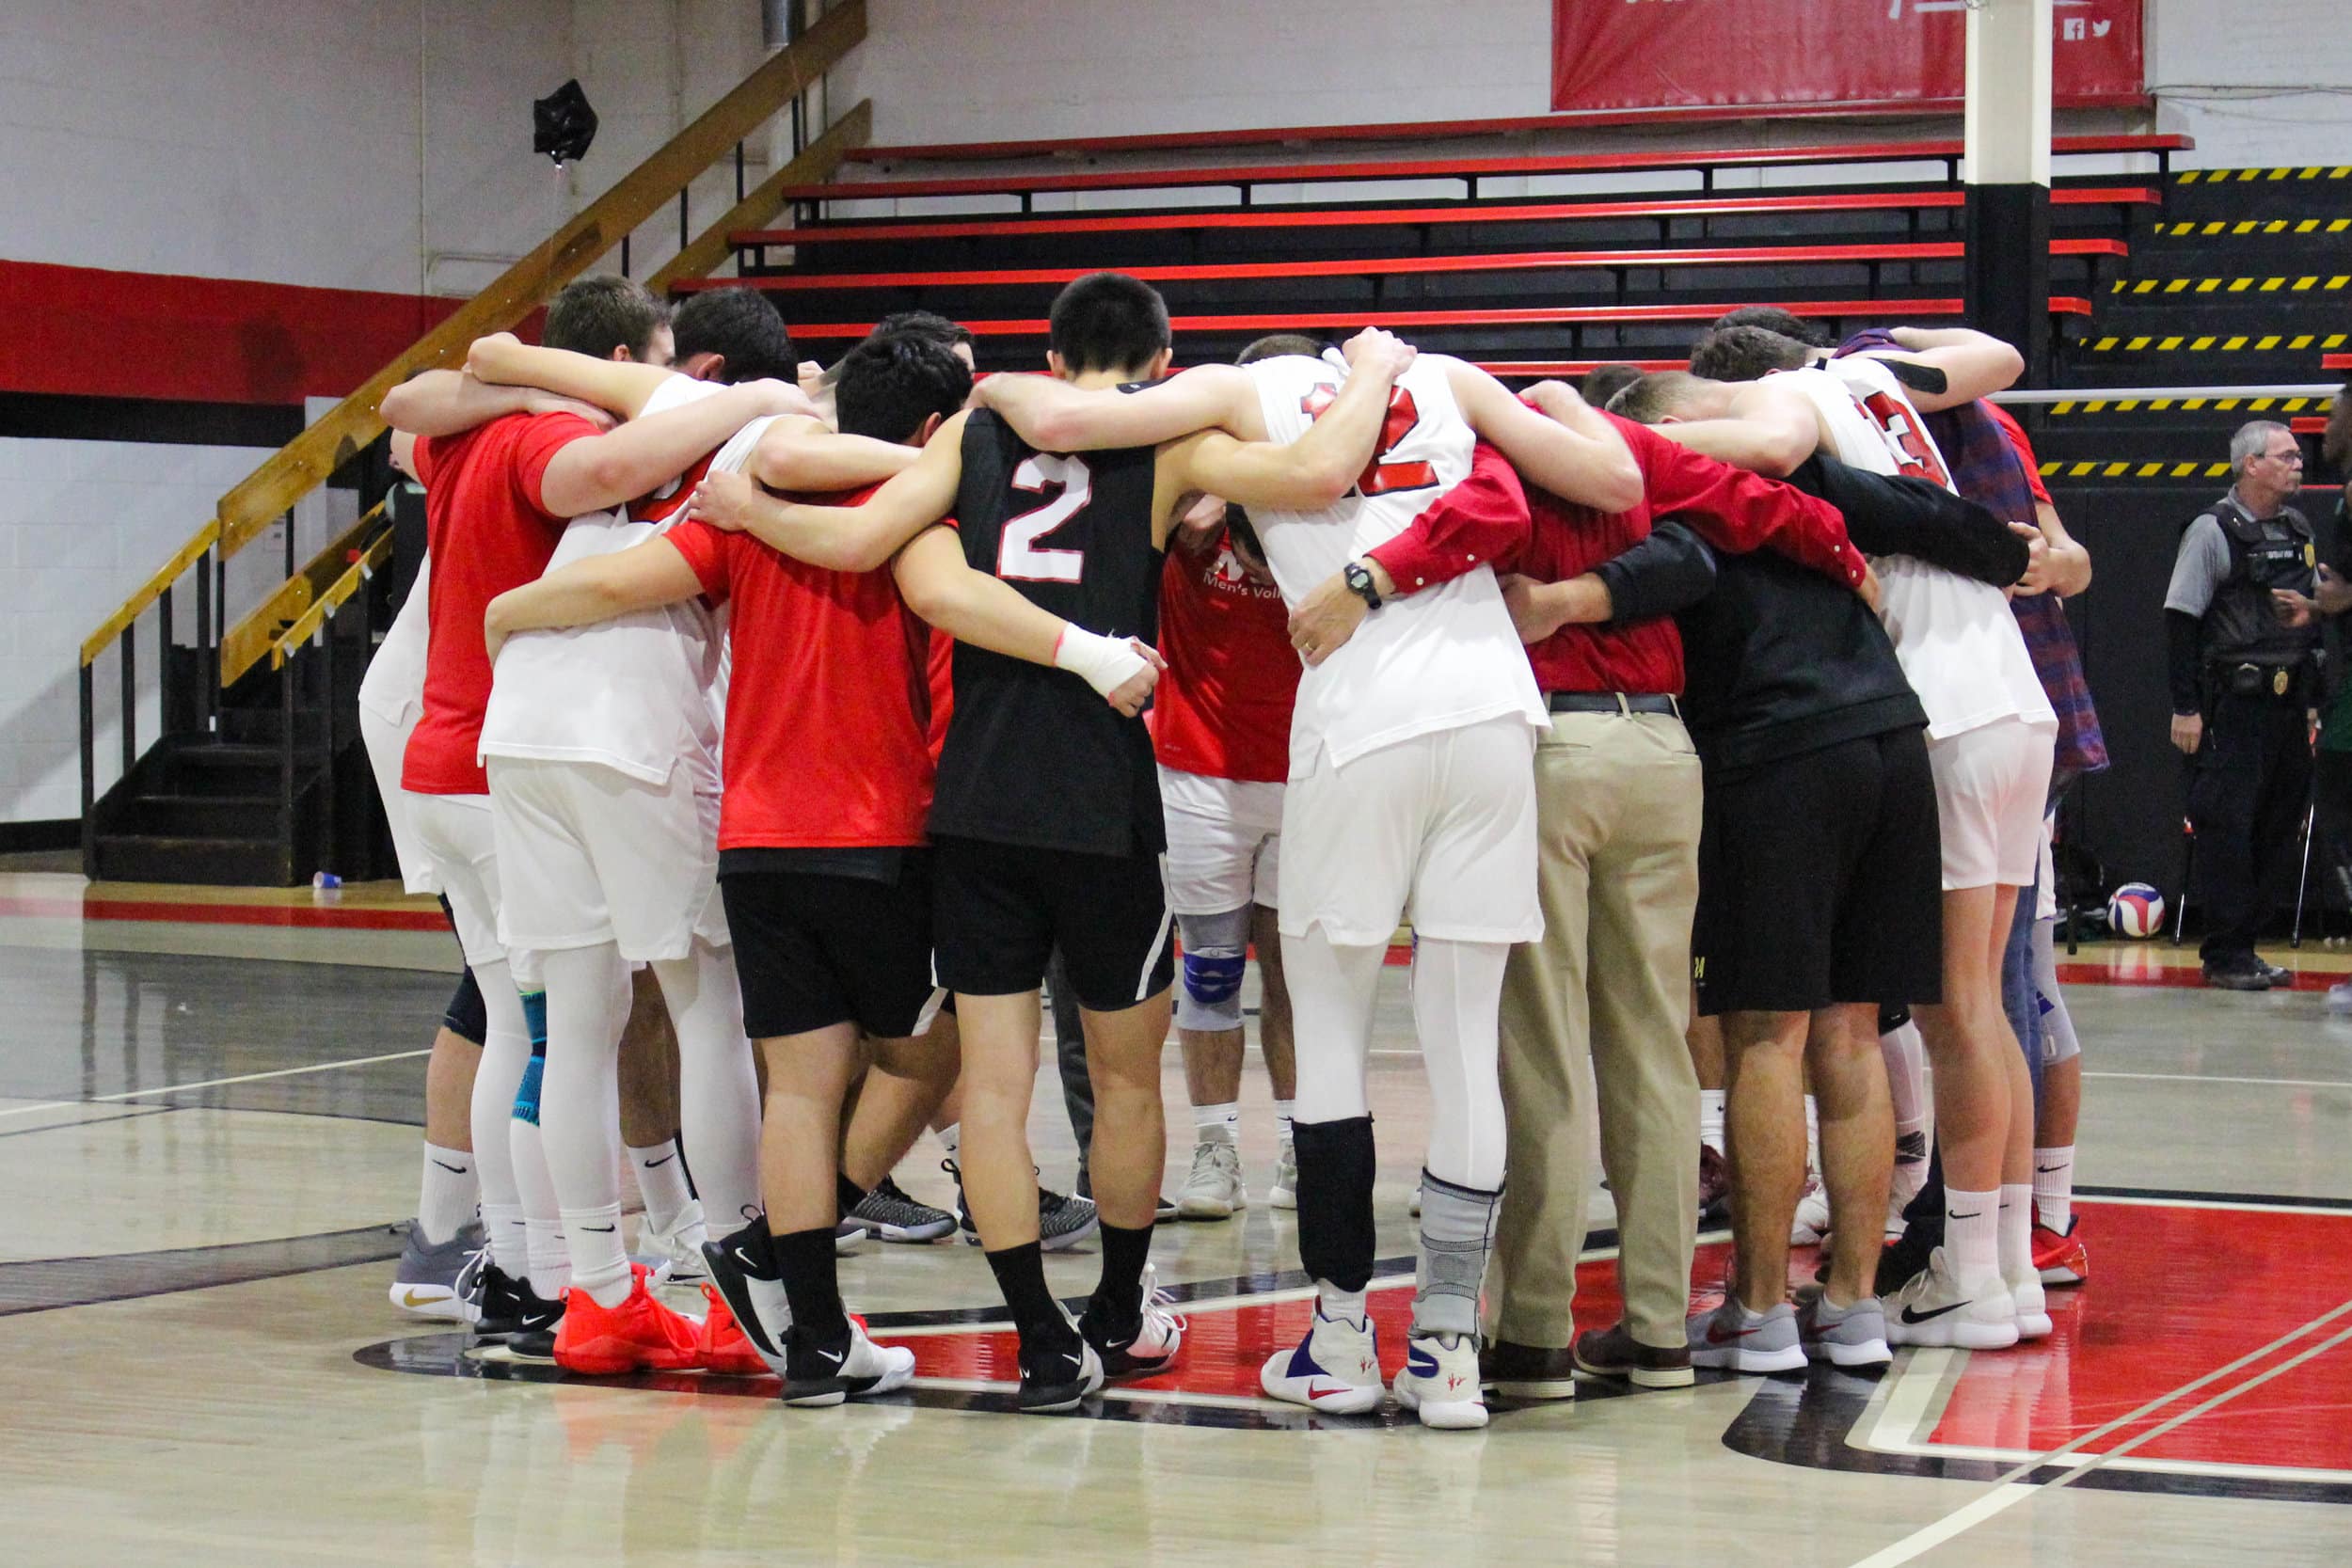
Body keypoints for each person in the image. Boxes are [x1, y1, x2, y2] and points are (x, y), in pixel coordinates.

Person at [697, 274, 1418, 1413]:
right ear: (1165, 351)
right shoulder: (1171, 442)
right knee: (1128, 1076)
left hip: (976, 803)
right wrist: (1373, 370)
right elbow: (1320, 471)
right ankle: (1121, 1310)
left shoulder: (979, 430)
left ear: (1050, 346)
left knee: (993, 1085)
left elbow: (865, 548)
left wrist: (746, 515)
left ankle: (1038, 1339)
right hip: (1101, 798)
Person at [976, 311, 1645, 1430]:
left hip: (1355, 721)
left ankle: (1341, 1336)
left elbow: (1061, 417)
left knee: (1328, 1032)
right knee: (1462, 1038)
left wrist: (992, 384)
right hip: (1493, 718)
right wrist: (1525, 405)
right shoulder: (1440, 368)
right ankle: (1445, 1352)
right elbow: (1611, 482)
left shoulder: (1237, 398)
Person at [1283, 383, 1872, 1395]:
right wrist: (1848, 556)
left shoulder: (1474, 459)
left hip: (1548, 745)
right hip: (1659, 743)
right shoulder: (1626, 453)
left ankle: (1533, 1331)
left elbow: (1455, 532)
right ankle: (1656, 1329)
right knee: (1653, 1042)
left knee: (1539, 1047)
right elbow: (1750, 510)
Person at [381, 275, 805, 1346]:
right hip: (620, 724)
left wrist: (509, 374)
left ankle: (591, 1290)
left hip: (508, 729)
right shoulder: (665, 432)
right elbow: (603, 475)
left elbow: (417, 411)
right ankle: (732, 1264)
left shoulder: (589, 411)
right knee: (704, 1005)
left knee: (559, 1025)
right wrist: (775, 404)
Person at [1618, 331, 2054, 1353]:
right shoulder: (1858, 414)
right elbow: (1993, 365)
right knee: (1903, 1019)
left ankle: (1770, 1304)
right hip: (1930, 717)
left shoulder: (1740, 443)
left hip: (1841, 732)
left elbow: (1736, 494)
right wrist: (2011, 545)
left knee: (1780, 1031)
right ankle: (1925, 1283)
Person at [2165, 419, 2320, 990]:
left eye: (2298, 456)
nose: (2297, 463)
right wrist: (2186, 707)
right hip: (2232, 704)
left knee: (2279, 825)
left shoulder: (2299, 526)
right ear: (2250, 464)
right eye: (2285, 456)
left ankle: (2248, 943)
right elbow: (2180, 620)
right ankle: (2226, 952)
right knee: (2226, 825)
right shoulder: (2213, 530)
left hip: (2287, 704)